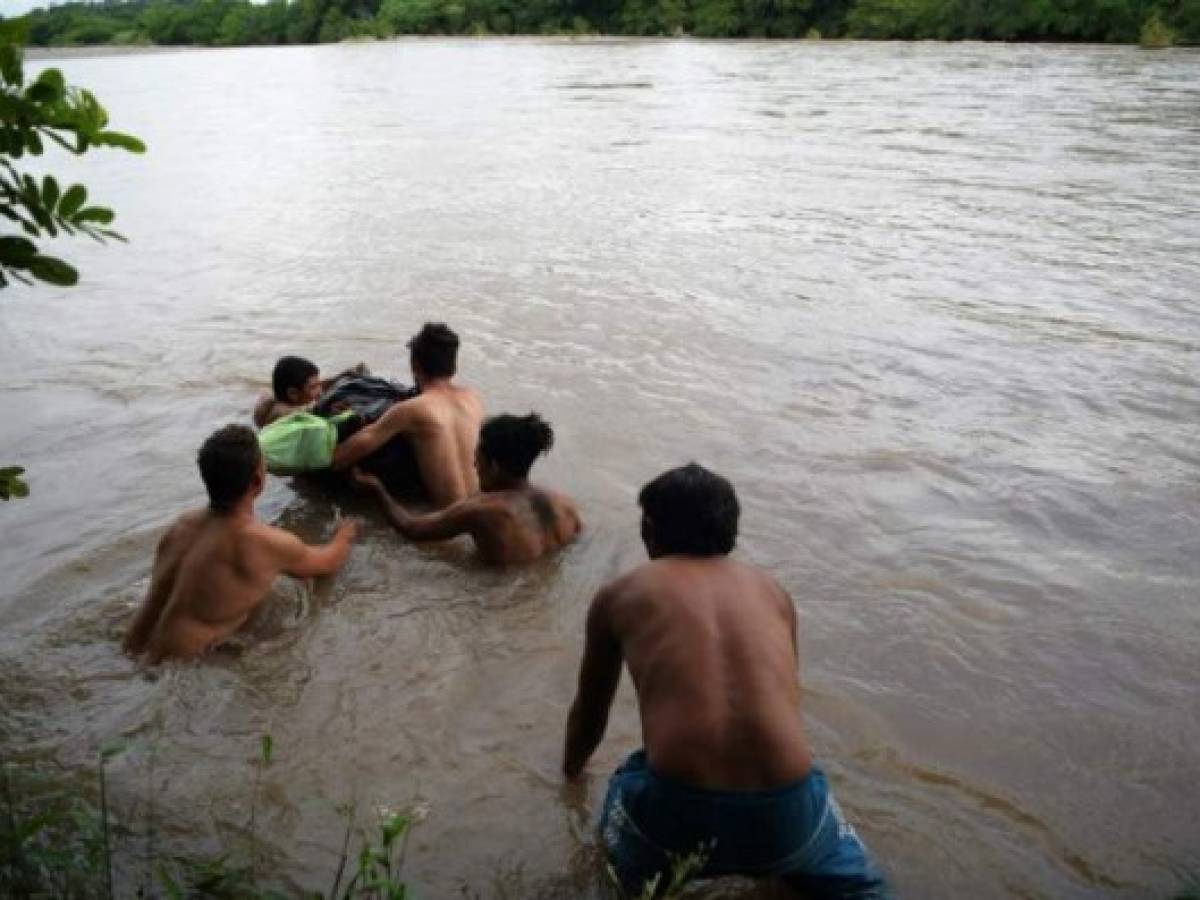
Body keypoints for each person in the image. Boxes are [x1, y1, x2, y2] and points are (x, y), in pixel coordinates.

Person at [562, 464, 888, 898]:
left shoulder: (620, 593)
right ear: (730, 531)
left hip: (676, 814)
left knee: (625, 827)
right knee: (856, 884)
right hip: (787, 810)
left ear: (649, 530)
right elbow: (785, 700)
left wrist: (569, 779)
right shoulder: (773, 591)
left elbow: (590, 713)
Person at [124, 425, 358, 664]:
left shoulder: (180, 525)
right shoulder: (264, 542)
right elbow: (329, 562)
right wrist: (345, 533)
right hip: (179, 668)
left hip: (131, 648)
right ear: (257, 481)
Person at [351, 413, 581, 565]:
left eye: (477, 459)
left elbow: (411, 529)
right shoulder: (565, 504)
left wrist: (377, 489)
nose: (473, 465)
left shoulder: (484, 510)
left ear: (494, 466)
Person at [332, 323, 484, 509]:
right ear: (454, 366)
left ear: (415, 365)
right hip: (481, 511)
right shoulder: (474, 399)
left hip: (447, 522)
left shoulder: (412, 409)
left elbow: (347, 453)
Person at [253, 356, 323, 428]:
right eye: (313, 387)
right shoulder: (289, 416)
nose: (319, 390)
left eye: (319, 384)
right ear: (293, 393)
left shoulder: (270, 400)